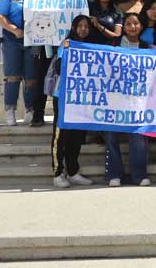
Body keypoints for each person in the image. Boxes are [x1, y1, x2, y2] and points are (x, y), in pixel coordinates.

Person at [47, 15, 94, 188]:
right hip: (64, 96)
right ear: (74, 28)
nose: (83, 29)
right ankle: (58, 173)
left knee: (76, 136)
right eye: (80, 26)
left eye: (86, 26)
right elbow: (59, 66)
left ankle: (73, 171)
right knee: (61, 136)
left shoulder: (90, 47)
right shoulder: (66, 44)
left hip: (80, 98)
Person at [105, 13, 151, 186]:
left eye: (136, 23)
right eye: (129, 24)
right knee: (110, 136)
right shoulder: (112, 45)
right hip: (113, 99)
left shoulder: (148, 48)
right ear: (123, 27)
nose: (132, 27)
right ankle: (114, 174)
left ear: (141, 27)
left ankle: (139, 175)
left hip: (137, 101)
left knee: (138, 136)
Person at [0, 0, 40, 126]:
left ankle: (29, 109)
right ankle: (10, 110)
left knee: (31, 78)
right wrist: (15, 30)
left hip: (33, 42)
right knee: (13, 77)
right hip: (13, 41)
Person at [30, 0, 73, 127]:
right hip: (45, 46)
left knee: (62, 81)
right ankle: (38, 114)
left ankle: (60, 115)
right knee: (41, 79)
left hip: (64, 47)